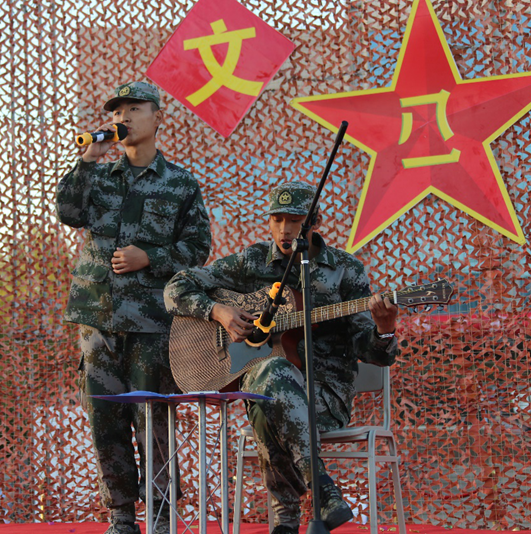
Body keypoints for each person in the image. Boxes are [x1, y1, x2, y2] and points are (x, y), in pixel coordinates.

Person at [163, 181, 399, 533]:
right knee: (271, 374)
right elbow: (175, 288)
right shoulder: (252, 262)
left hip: (323, 395)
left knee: (266, 402)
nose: (284, 230)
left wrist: (385, 329)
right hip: (267, 386)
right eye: (277, 220)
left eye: (294, 221)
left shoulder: (345, 270)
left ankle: (285, 519)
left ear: (314, 222)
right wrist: (219, 312)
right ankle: (322, 487)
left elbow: (374, 354)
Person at [56, 81, 211, 534]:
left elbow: (198, 247)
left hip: (151, 322)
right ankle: (122, 516)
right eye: (117, 111)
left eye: (134, 108)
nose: (123, 117)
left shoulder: (180, 182)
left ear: (158, 117)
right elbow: (68, 212)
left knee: (153, 418)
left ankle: (161, 515)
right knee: (104, 418)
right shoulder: (99, 176)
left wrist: (151, 258)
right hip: (97, 318)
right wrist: (88, 159)